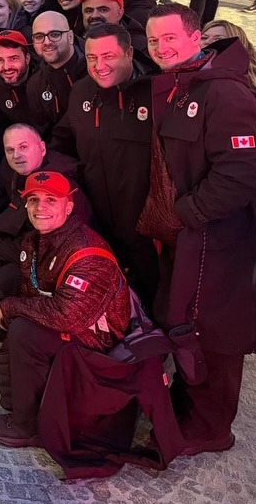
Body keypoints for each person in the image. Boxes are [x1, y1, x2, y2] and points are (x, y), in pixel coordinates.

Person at [144, 2, 256, 454]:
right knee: (189, 323)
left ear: (197, 38)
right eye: (154, 40)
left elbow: (246, 171)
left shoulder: (226, 93)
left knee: (217, 333)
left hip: (221, 239)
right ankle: (189, 408)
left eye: (170, 38)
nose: (160, 48)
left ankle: (212, 429)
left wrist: (189, 212)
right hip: (192, 237)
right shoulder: (184, 83)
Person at [0, 171, 131, 450]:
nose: (41, 208)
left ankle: (28, 427)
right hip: (70, 327)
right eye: (33, 200)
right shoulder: (32, 242)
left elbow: (69, 317)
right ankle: (29, 397)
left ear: (69, 207)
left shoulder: (87, 252)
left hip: (97, 342)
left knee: (26, 332)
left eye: (52, 199)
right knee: (18, 329)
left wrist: (10, 307)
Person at [50, 24, 158, 304]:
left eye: (108, 56)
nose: (99, 66)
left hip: (144, 224)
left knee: (152, 291)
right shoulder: (83, 92)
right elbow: (63, 140)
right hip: (96, 218)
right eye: (91, 58)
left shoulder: (155, 92)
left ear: (129, 53)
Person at [0, 124, 88, 340]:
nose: (16, 155)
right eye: (10, 150)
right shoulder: (16, 173)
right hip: (30, 246)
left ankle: (3, 323)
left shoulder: (57, 184)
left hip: (57, 263)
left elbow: (43, 248)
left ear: (41, 148)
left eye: (23, 147)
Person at [25, 11, 86, 135]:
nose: (47, 42)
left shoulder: (94, 69)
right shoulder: (35, 83)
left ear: (70, 37)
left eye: (55, 34)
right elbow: (44, 132)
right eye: (39, 36)